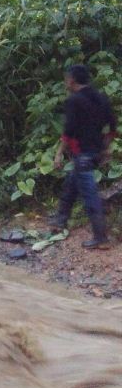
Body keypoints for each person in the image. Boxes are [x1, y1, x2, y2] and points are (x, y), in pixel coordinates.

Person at [50, 64, 118, 249]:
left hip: (83, 155)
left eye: (66, 78)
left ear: (71, 80)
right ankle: (59, 221)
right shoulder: (100, 98)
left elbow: (69, 130)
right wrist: (106, 147)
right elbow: (112, 125)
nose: (65, 81)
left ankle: (101, 237)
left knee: (90, 196)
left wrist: (58, 154)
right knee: (72, 184)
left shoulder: (74, 100)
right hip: (95, 153)